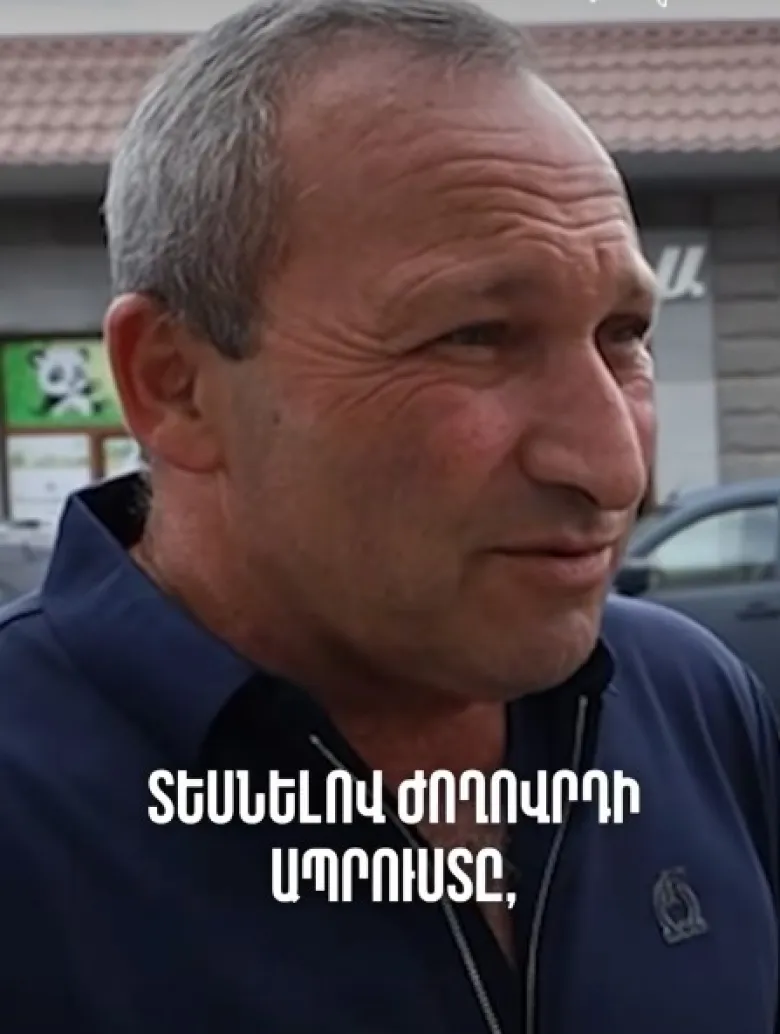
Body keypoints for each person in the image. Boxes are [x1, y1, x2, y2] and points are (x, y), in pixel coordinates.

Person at [0, 1, 777, 1032]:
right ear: (174, 383)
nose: (612, 466)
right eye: (476, 335)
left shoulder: (689, 699)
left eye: (624, 334)